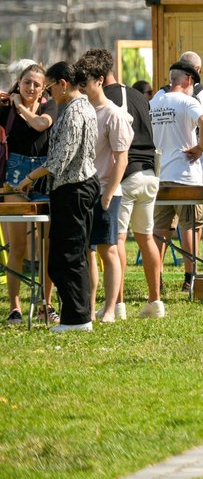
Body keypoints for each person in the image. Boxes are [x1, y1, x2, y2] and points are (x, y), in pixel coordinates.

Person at [15, 61, 99, 332]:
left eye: (50, 88)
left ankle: (76, 319)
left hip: (73, 189)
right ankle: (79, 316)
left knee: (67, 257)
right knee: (71, 256)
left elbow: (59, 160)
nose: (48, 95)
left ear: (63, 83)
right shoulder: (82, 107)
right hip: (77, 187)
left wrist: (29, 178)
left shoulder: (75, 111)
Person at [99, 51, 158, 322]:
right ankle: (155, 301)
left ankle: (118, 304)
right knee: (146, 238)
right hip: (150, 174)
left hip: (128, 174)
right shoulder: (137, 95)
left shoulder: (105, 99)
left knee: (118, 240)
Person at [150, 59, 203, 300]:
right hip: (185, 176)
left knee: (159, 230)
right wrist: (200, 147)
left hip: (160, 176)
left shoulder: (154, 102)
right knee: (191, 227)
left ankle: (155, 277)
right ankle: (191, 279)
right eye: (192, 83)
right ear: (187, 80)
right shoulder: (188, 101)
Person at [79, 51, 131, 325]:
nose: (80, 88)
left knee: (108, 249)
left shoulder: (114, 114)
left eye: (84, 82)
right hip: (84, 191)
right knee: (87, 250)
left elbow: (122, 158)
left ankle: (111, 308)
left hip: (106, 192)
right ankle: (88, 308)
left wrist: (109, 193)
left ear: (99, 81)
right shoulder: (82, 110)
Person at [2, 62, 55, 324]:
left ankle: (46, 302)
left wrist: (19, 106)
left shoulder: (49, 106)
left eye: (36, 84)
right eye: (27, 82)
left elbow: (40, 126)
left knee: (48, 245)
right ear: (19, 82)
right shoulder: (5, 108)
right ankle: (15, 306)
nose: (31, 88)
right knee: (18, 245)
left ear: (43, 86)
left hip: (42, 176)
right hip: (14, 177)